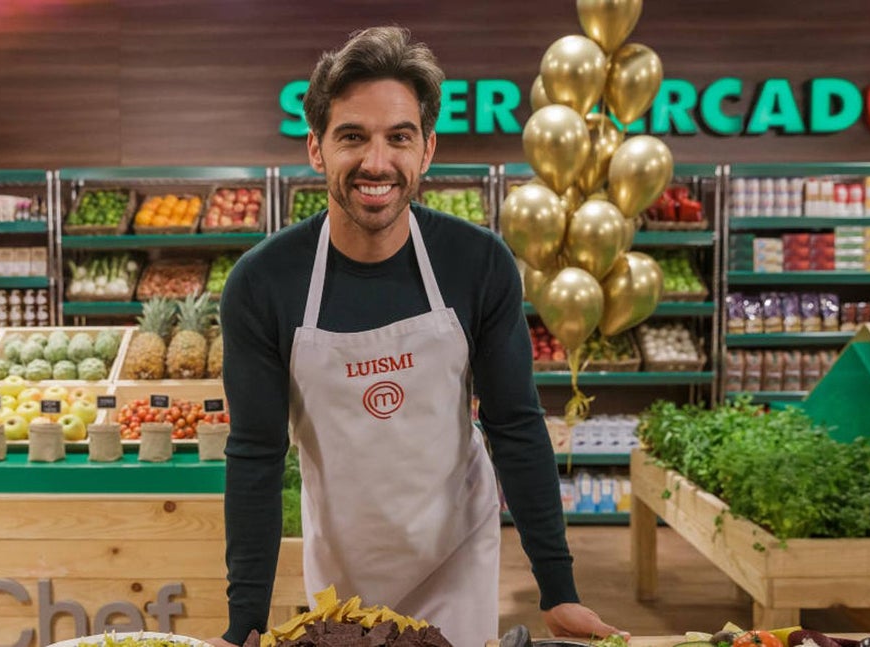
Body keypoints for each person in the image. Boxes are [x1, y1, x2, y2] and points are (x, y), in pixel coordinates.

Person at [207, 26, 626, 647]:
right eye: (352, 136)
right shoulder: (262, 283)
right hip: (341, 570)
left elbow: (515, 425)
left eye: (398, 137)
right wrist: (244, 623)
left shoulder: (477, 263)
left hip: (454, 556)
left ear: (427, 150)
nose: (377, 163)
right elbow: (256, 456)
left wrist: (558, 589)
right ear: (317, 149)